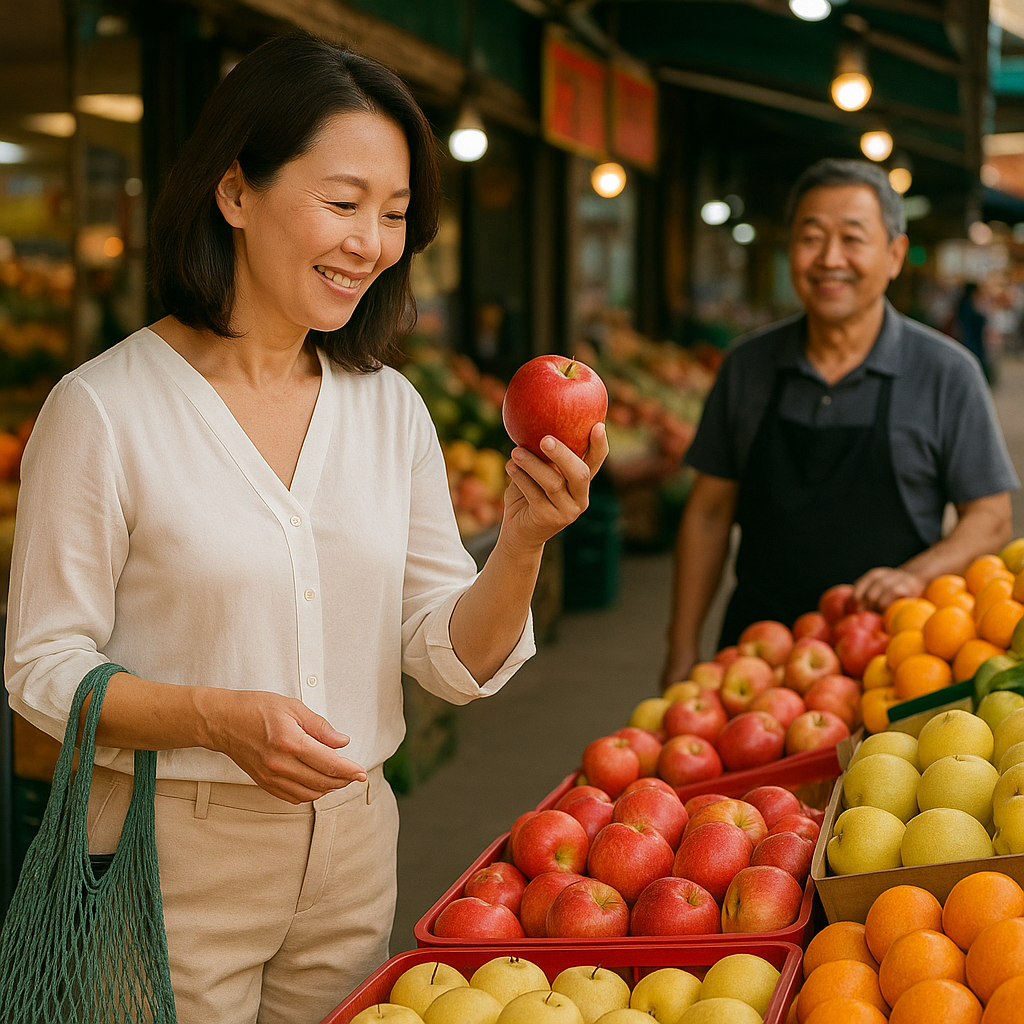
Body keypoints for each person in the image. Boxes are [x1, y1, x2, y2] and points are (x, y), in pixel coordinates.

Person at [4, 35, 607, 1024]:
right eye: (342, 202)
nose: (370, 241)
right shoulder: (105, 409)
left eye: (395, 215)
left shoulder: (389, 410)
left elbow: (444, 654)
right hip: (169, 852)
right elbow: (39, 669)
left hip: (355, 842)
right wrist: (216, 719)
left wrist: (527, 540)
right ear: (234, 192)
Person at [662, 158, 1017, 686]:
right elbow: (709, 515)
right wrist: (681, 648)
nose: (830, 259)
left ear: (895, 255)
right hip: (754, 667)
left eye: (853, 238)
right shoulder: (746, 366)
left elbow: (991, 518)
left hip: (892, 663)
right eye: (811, 237)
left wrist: (913, 577)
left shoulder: (947, 373)